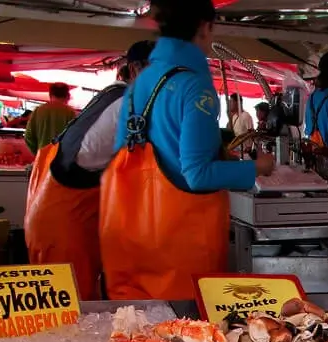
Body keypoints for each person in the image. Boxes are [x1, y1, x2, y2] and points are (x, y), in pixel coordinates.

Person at [99, 0, 274, 300]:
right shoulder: (195, 86)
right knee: (183, 339)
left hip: (129, 241)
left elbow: (137, 155)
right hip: (177, 250)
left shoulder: (141, 83)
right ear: (205, 28)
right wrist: (257, 168)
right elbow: (197, 174)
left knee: (137, 333)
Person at [25, 40, 154, 301]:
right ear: (137, 69)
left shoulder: (112, 95)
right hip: (64, 226)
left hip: (56, 215)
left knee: (78, 307)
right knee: (71, 314)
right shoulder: (128, 105)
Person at [25, 83, 76, 155]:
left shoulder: (38, 110)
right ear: (67, 96)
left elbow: (28, 136)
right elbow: (75, 138)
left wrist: (37, 152)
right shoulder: (71, 112)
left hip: (42, 158)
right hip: (62, 159)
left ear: (50, 94)